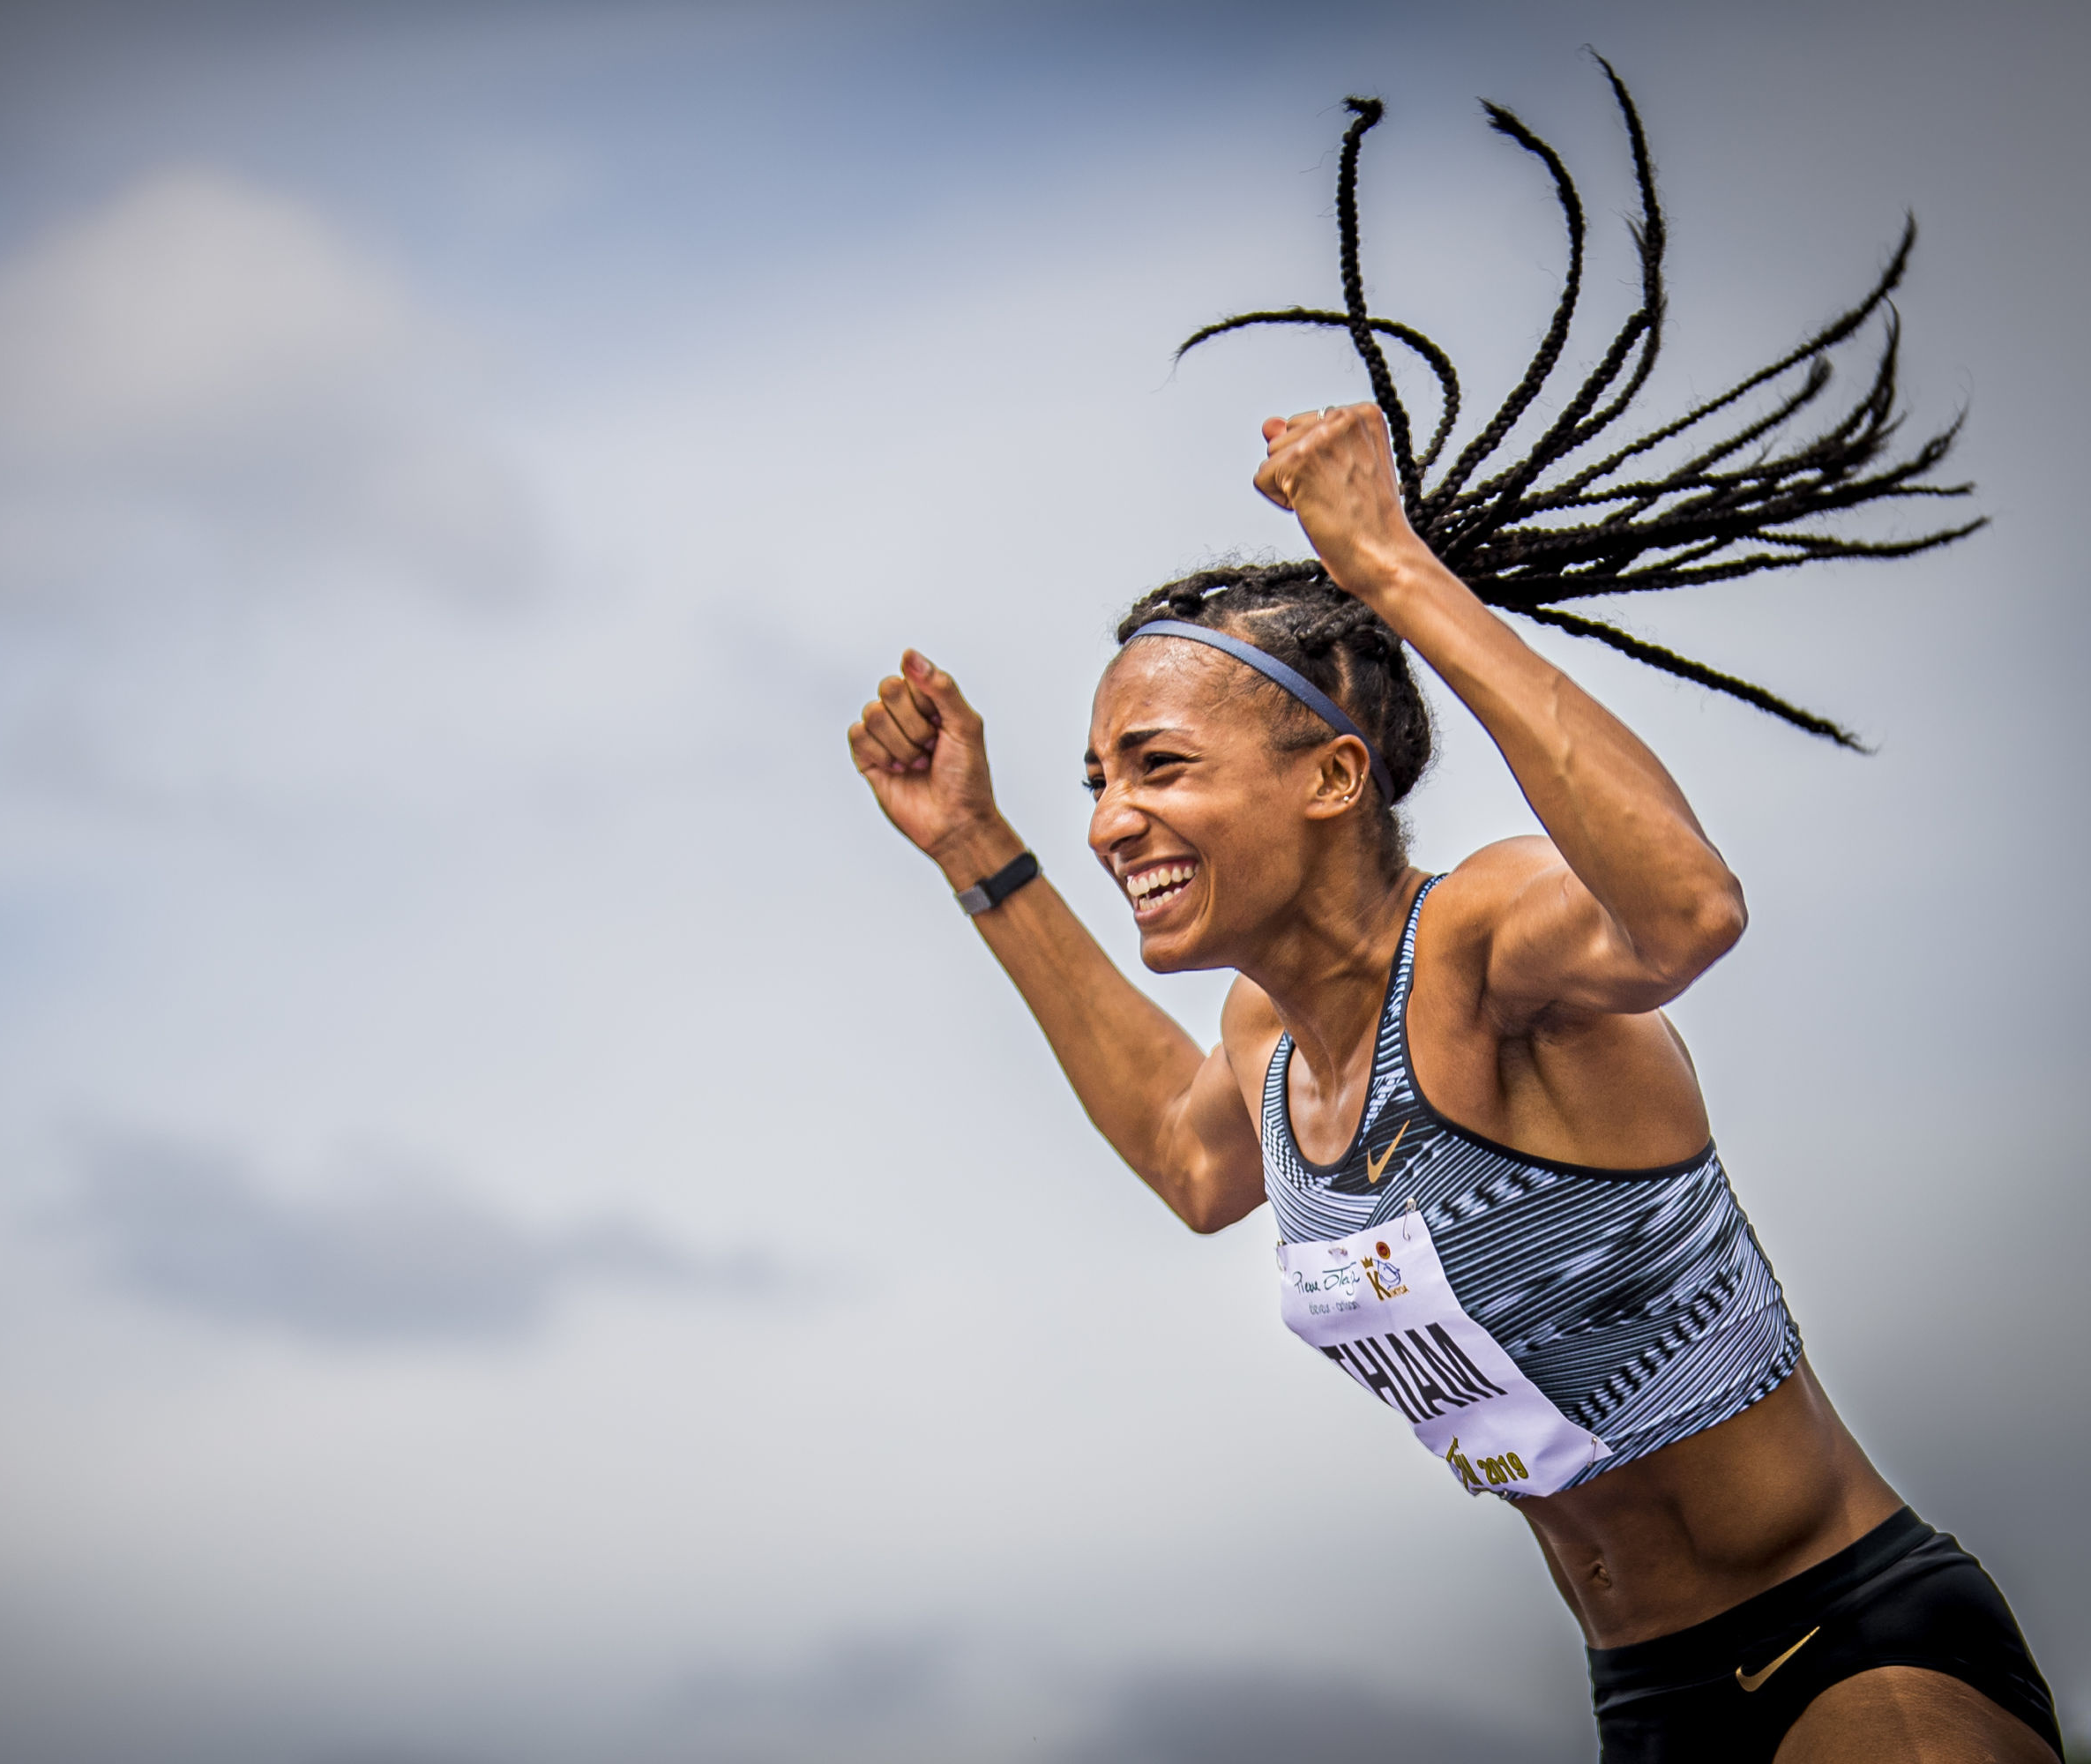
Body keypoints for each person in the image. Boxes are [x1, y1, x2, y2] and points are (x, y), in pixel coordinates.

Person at [846, 64, 2061, 1764]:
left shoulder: (1483, 947)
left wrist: (1400, 570)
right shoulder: (1273, 1043)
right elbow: (1193, 1162)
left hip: (1842, 1644)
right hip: (1642, 1692)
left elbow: (1690, 909)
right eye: (1096, 779)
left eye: (1162, 767)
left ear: (1334, 778)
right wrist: (979, 851)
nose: (1116, 817)